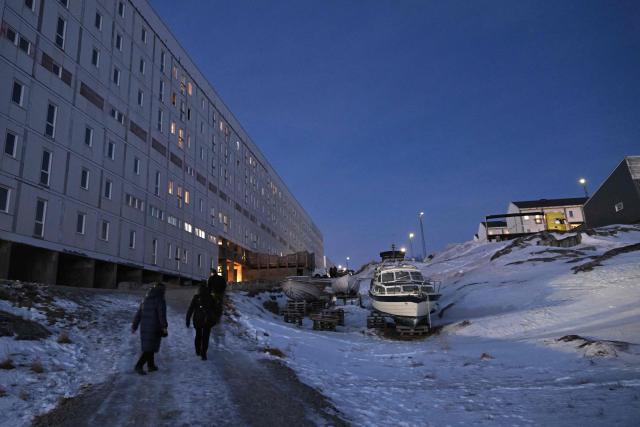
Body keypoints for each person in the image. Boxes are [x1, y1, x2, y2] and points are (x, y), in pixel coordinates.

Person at [132, 283, 168, 375]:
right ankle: (139, 365)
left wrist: (134, 326)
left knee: (149, 346)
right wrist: (164, 327)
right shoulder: (160, 300)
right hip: (154, 327)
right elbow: (161, 315)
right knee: (149, 348)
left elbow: (138, 314)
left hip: (144, 327)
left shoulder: (145, 299)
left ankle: (151, 365)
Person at [185, 284, 216, 360]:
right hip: (207, 320)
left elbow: (191, 309)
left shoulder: (196, 297)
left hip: (197, 320)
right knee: (206, 337)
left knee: (198, 335)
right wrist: (214, 320)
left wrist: (188, 320)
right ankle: (204, 354)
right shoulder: (211, 298)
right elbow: (215, 310)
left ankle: (197, 351)